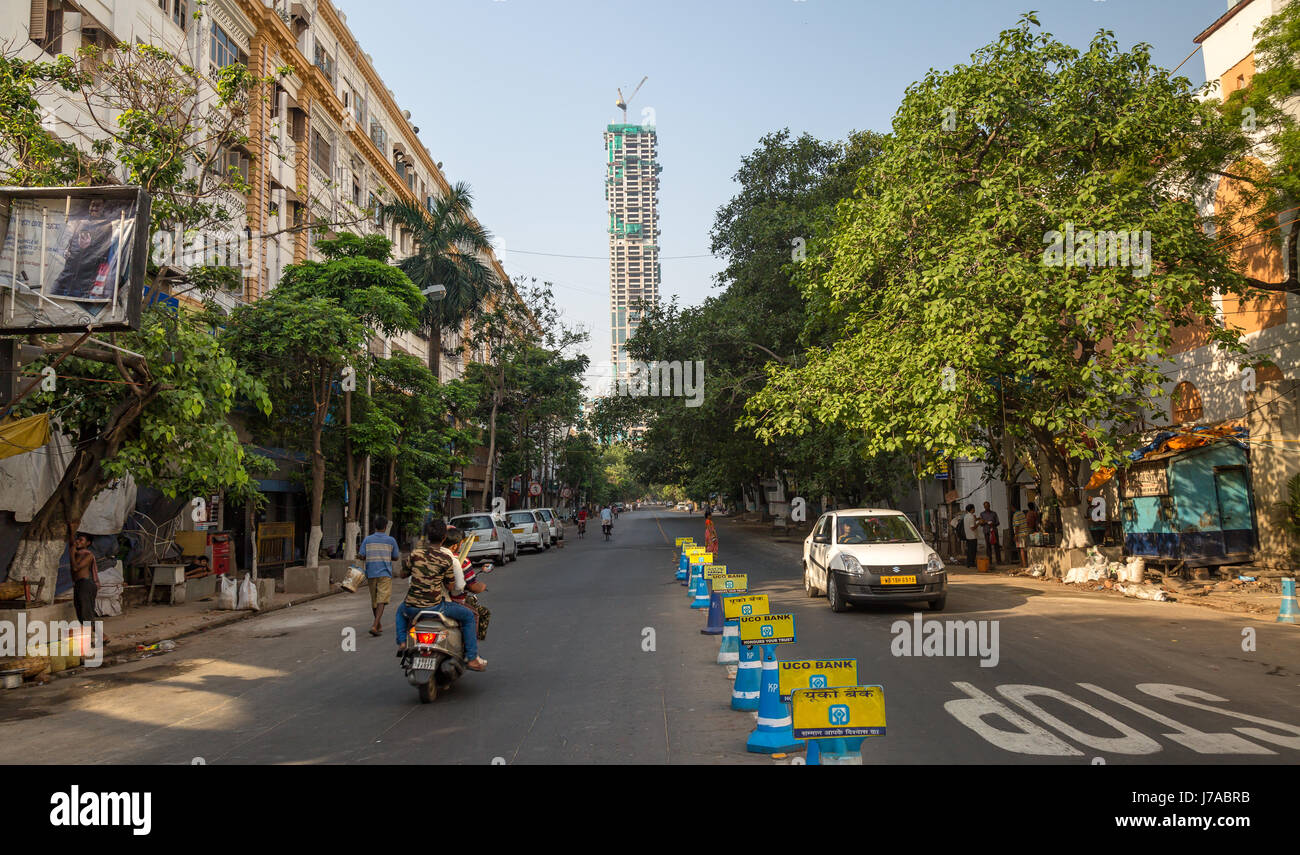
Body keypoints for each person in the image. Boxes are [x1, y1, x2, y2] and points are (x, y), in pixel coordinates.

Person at [395, 519, 487, 671]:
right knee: (469, 617)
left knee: (399, 611)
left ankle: (402, 642)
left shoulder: (415, 554)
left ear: (427, 536)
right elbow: (452, 586)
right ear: (444, 538)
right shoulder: (447, 559)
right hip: (436, 606)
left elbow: (403, 574)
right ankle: (471, 658)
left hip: (411, 607)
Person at [360, 515, 400, 638]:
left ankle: (378, 624)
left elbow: (361, 555)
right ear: (385, 526)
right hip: (385, 573)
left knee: (374, 600)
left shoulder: (367, 539)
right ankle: (374, 625)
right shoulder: (391, 540)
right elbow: (396, 557)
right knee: (381, 600)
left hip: (371, 572)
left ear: (374, 526)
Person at [71, 533, 108, 646]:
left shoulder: (88, 555)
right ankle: (101, 637)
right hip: (79, 585)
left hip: (86, 585)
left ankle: (101, 637)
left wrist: (71, 552)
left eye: (81, 540)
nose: (78, 541)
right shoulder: (77, 554)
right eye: (77, 539)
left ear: (88, 543)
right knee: (81, 613)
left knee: (86, 613)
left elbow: (76, 567)